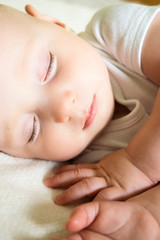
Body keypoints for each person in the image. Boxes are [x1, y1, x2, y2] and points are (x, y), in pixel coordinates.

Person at [0, 2, 160, 239]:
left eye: (48, 68)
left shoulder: (114, 31)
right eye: (32, 130)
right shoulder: (94, 170)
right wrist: (148, 211)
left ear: (56, 24)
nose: (63, 108)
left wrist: (140, 162)